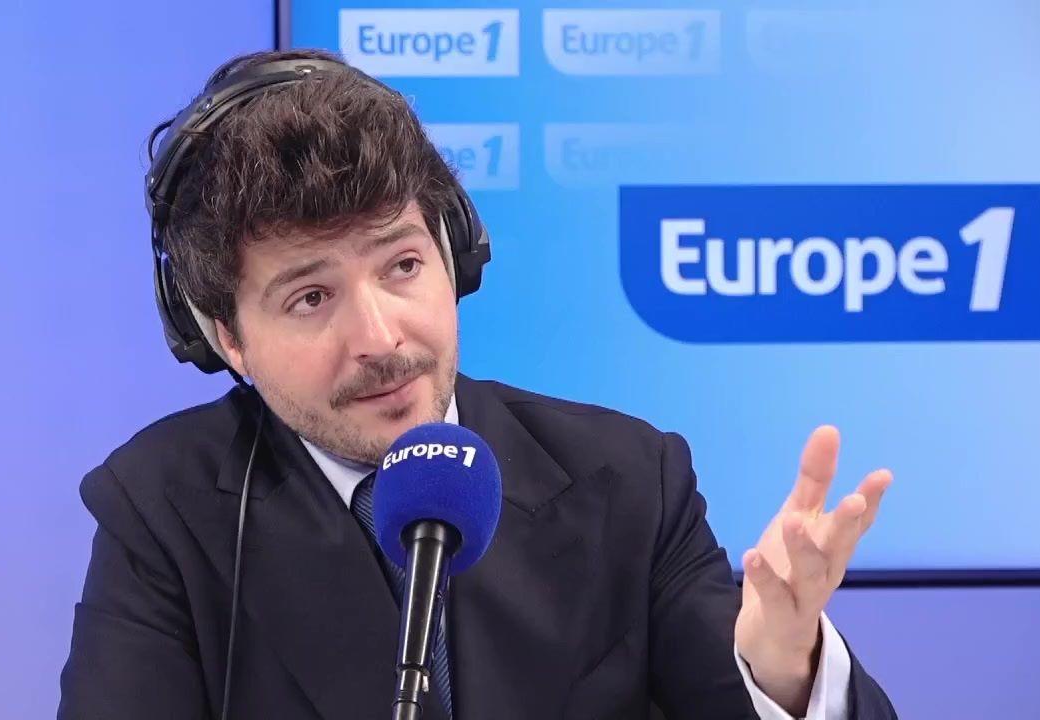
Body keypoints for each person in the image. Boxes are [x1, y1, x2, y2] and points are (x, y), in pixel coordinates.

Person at [58, 48, 896, 720]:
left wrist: (785, 670)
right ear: (227, 339)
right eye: (311, 298)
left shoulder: (630, 479)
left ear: (454, 254)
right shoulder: (161, 511)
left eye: (402, 265)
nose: (381, 338)